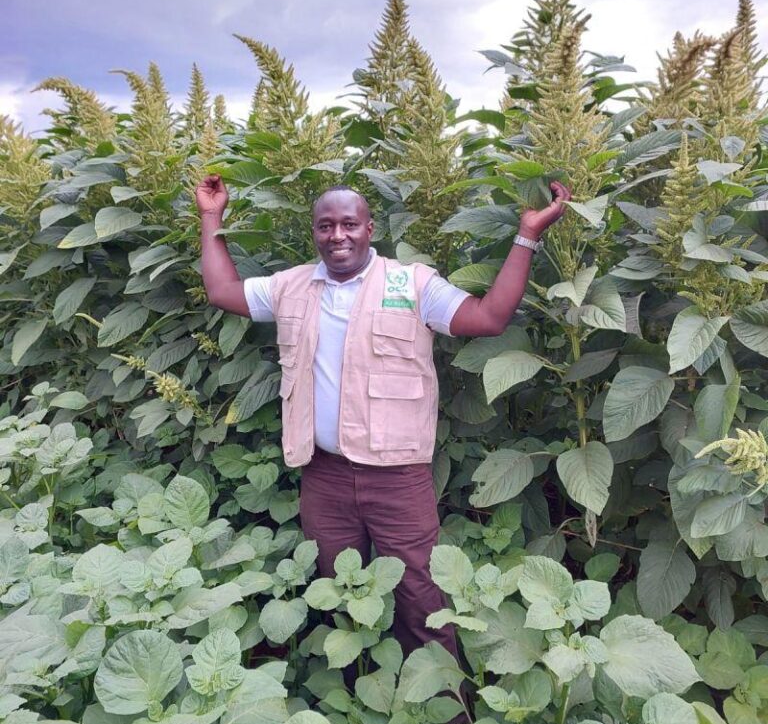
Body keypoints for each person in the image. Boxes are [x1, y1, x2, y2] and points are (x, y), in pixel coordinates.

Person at [195, 177, 570, 657]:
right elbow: (222, 289)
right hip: (323, 476)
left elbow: (488, 318)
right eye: (325, 226)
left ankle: (446, 714)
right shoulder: (291, 287)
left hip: (398, 479)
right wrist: (211, 217)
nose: (338, 236)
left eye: (349, 224)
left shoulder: (411, 284)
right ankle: (357, 702)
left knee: (420, 597)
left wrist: (527, 236)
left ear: (370, 228)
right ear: (313, 232)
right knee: (339, 595)